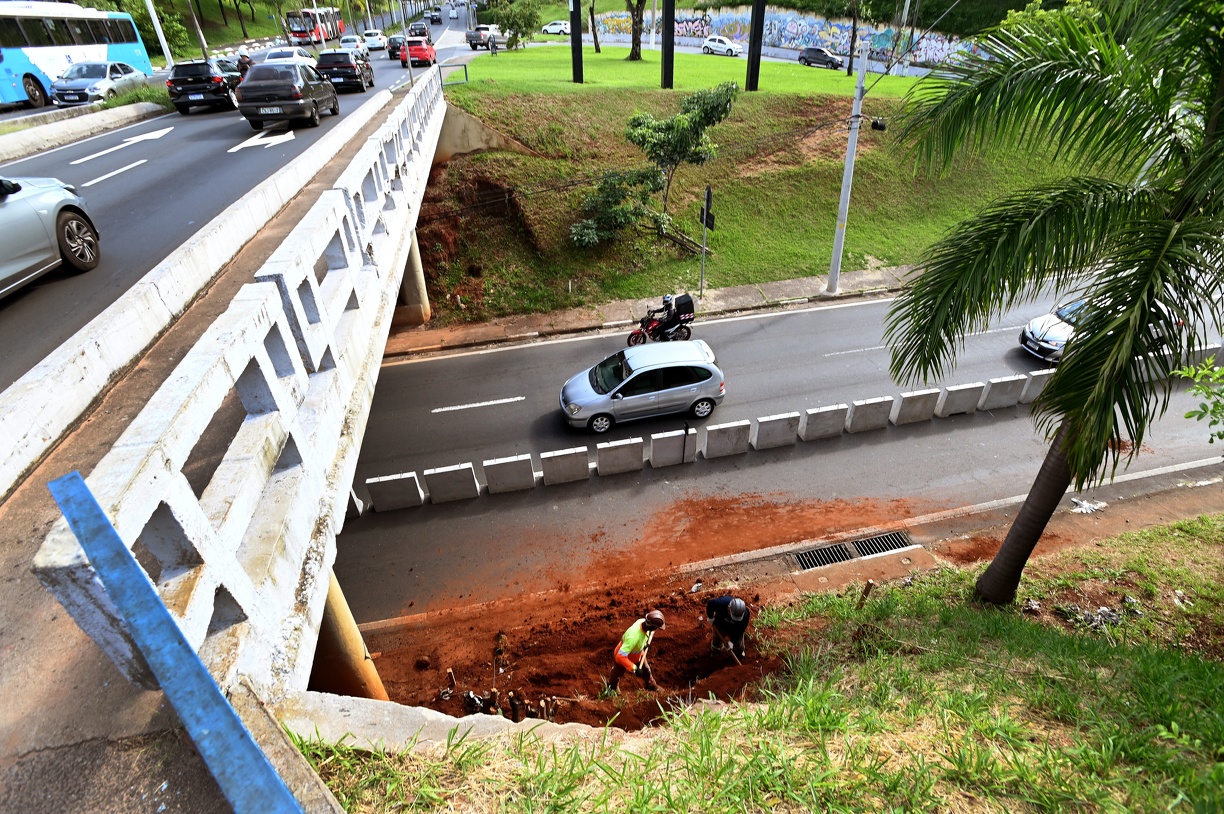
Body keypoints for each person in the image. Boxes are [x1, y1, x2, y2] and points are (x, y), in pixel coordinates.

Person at [609, 610, 664, 692]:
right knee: (616, 674)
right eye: (656, 628)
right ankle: (612, 689)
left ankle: (652, 685)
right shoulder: (634, 637)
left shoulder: (643, 622)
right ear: (652, 627)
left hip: (638, 654)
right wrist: (634, 668)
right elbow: (620, 657)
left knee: (646, 670)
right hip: (623, 656)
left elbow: (647, 634)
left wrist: (645, 644)